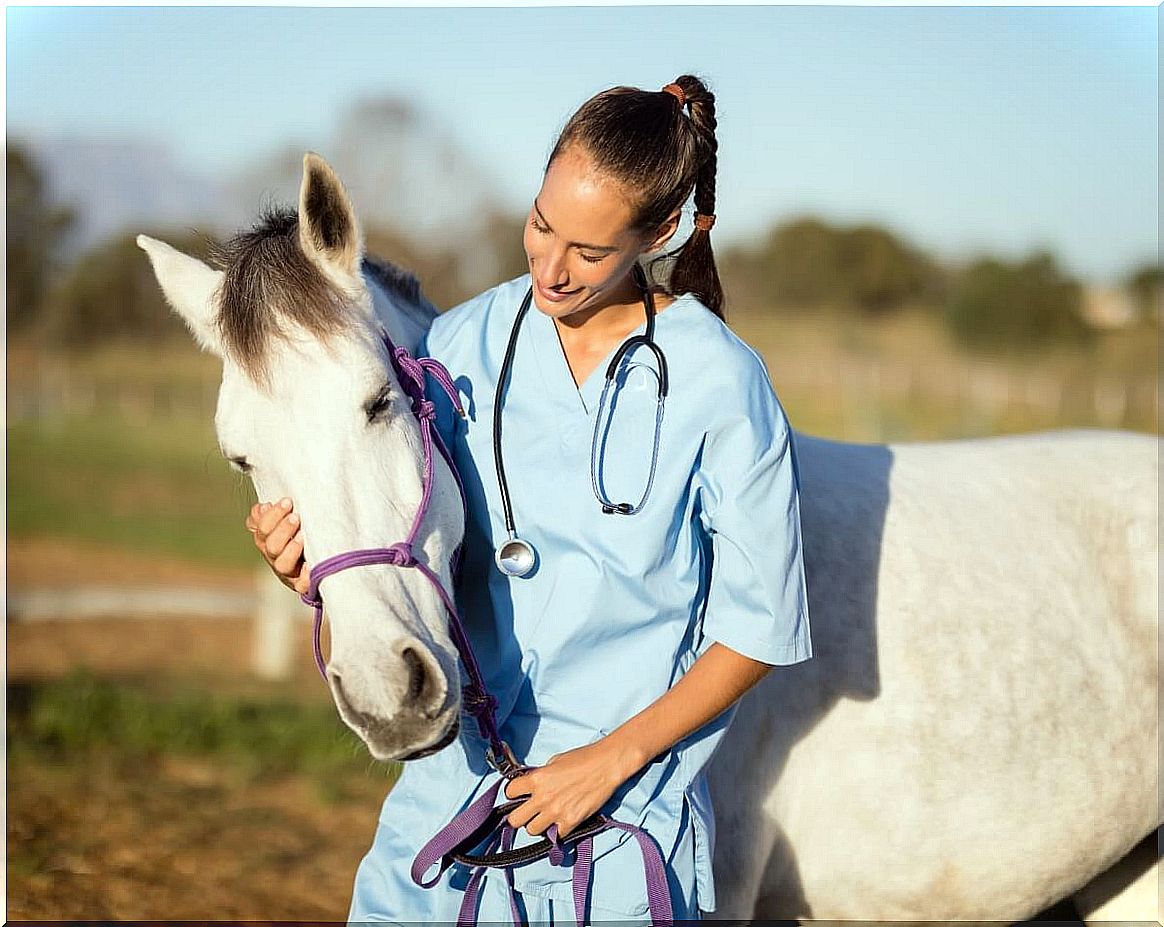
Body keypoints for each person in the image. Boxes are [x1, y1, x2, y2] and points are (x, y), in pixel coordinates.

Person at [246, 75, 813, 925]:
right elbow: (407, 539)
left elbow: (760, 626)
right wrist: (309, 564)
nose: (549, 267)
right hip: (446, 812)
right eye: (541, 224)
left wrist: (608, 761)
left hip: (619, 828)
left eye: (587, 251)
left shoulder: (721, 381)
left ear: (659, 232)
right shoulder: (456, 344)